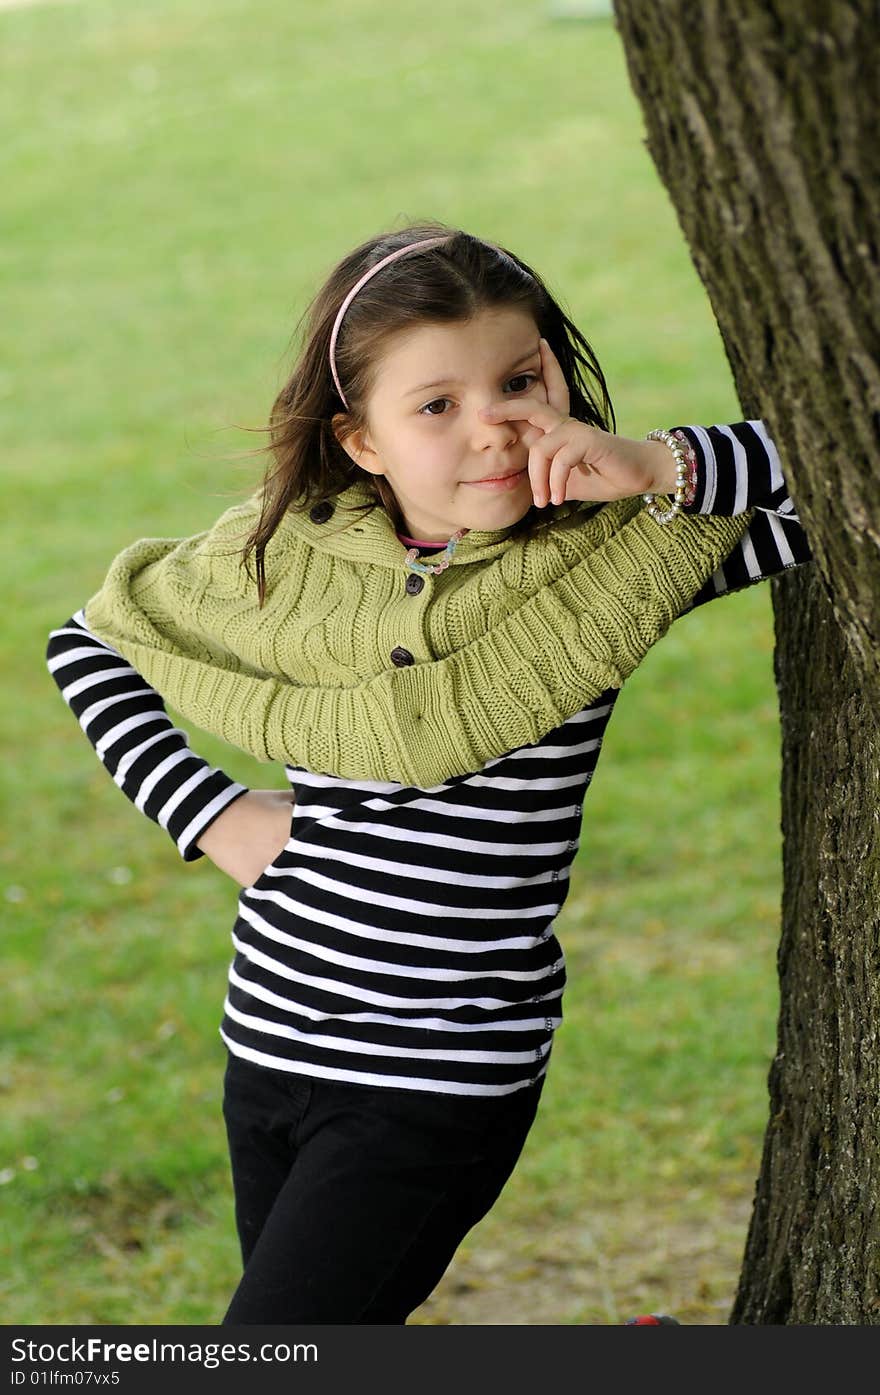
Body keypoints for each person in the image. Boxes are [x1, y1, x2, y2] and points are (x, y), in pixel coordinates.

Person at [45, 221, 813, 1324]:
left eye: (519, 379)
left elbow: (836, 467)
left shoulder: (621, 551)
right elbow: (92, 643)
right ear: (360, 441)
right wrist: (211, 811)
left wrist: (661, 463)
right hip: (267, 1035)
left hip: (434, 1074)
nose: (494, 428)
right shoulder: (288, 556)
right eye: (436, 405)